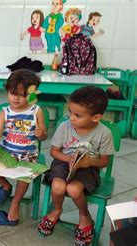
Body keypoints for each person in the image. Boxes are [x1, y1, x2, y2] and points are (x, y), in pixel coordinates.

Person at [38, 86, 114, 245]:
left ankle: (84, 215)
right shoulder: (64, 126)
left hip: (89, 168)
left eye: (77, 115)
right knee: (58, 186)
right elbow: (54, 151)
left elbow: (105, 161)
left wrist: (91, 161)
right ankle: (57, 209)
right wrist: (68, 159)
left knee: (73, 189)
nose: (71, 118)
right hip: (63, 162)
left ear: (96, 117)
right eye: (70, 112)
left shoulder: (104, 133)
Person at [0, 69, 48, 226]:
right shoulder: (4, 112)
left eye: (23, 95)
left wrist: (41, 134)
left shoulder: (37, 112)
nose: (16, 98)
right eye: (13, 93)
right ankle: (6, 186)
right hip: (7, 151)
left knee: (24, 177)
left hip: (28, 154)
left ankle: (15, 203)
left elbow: (44, 135)